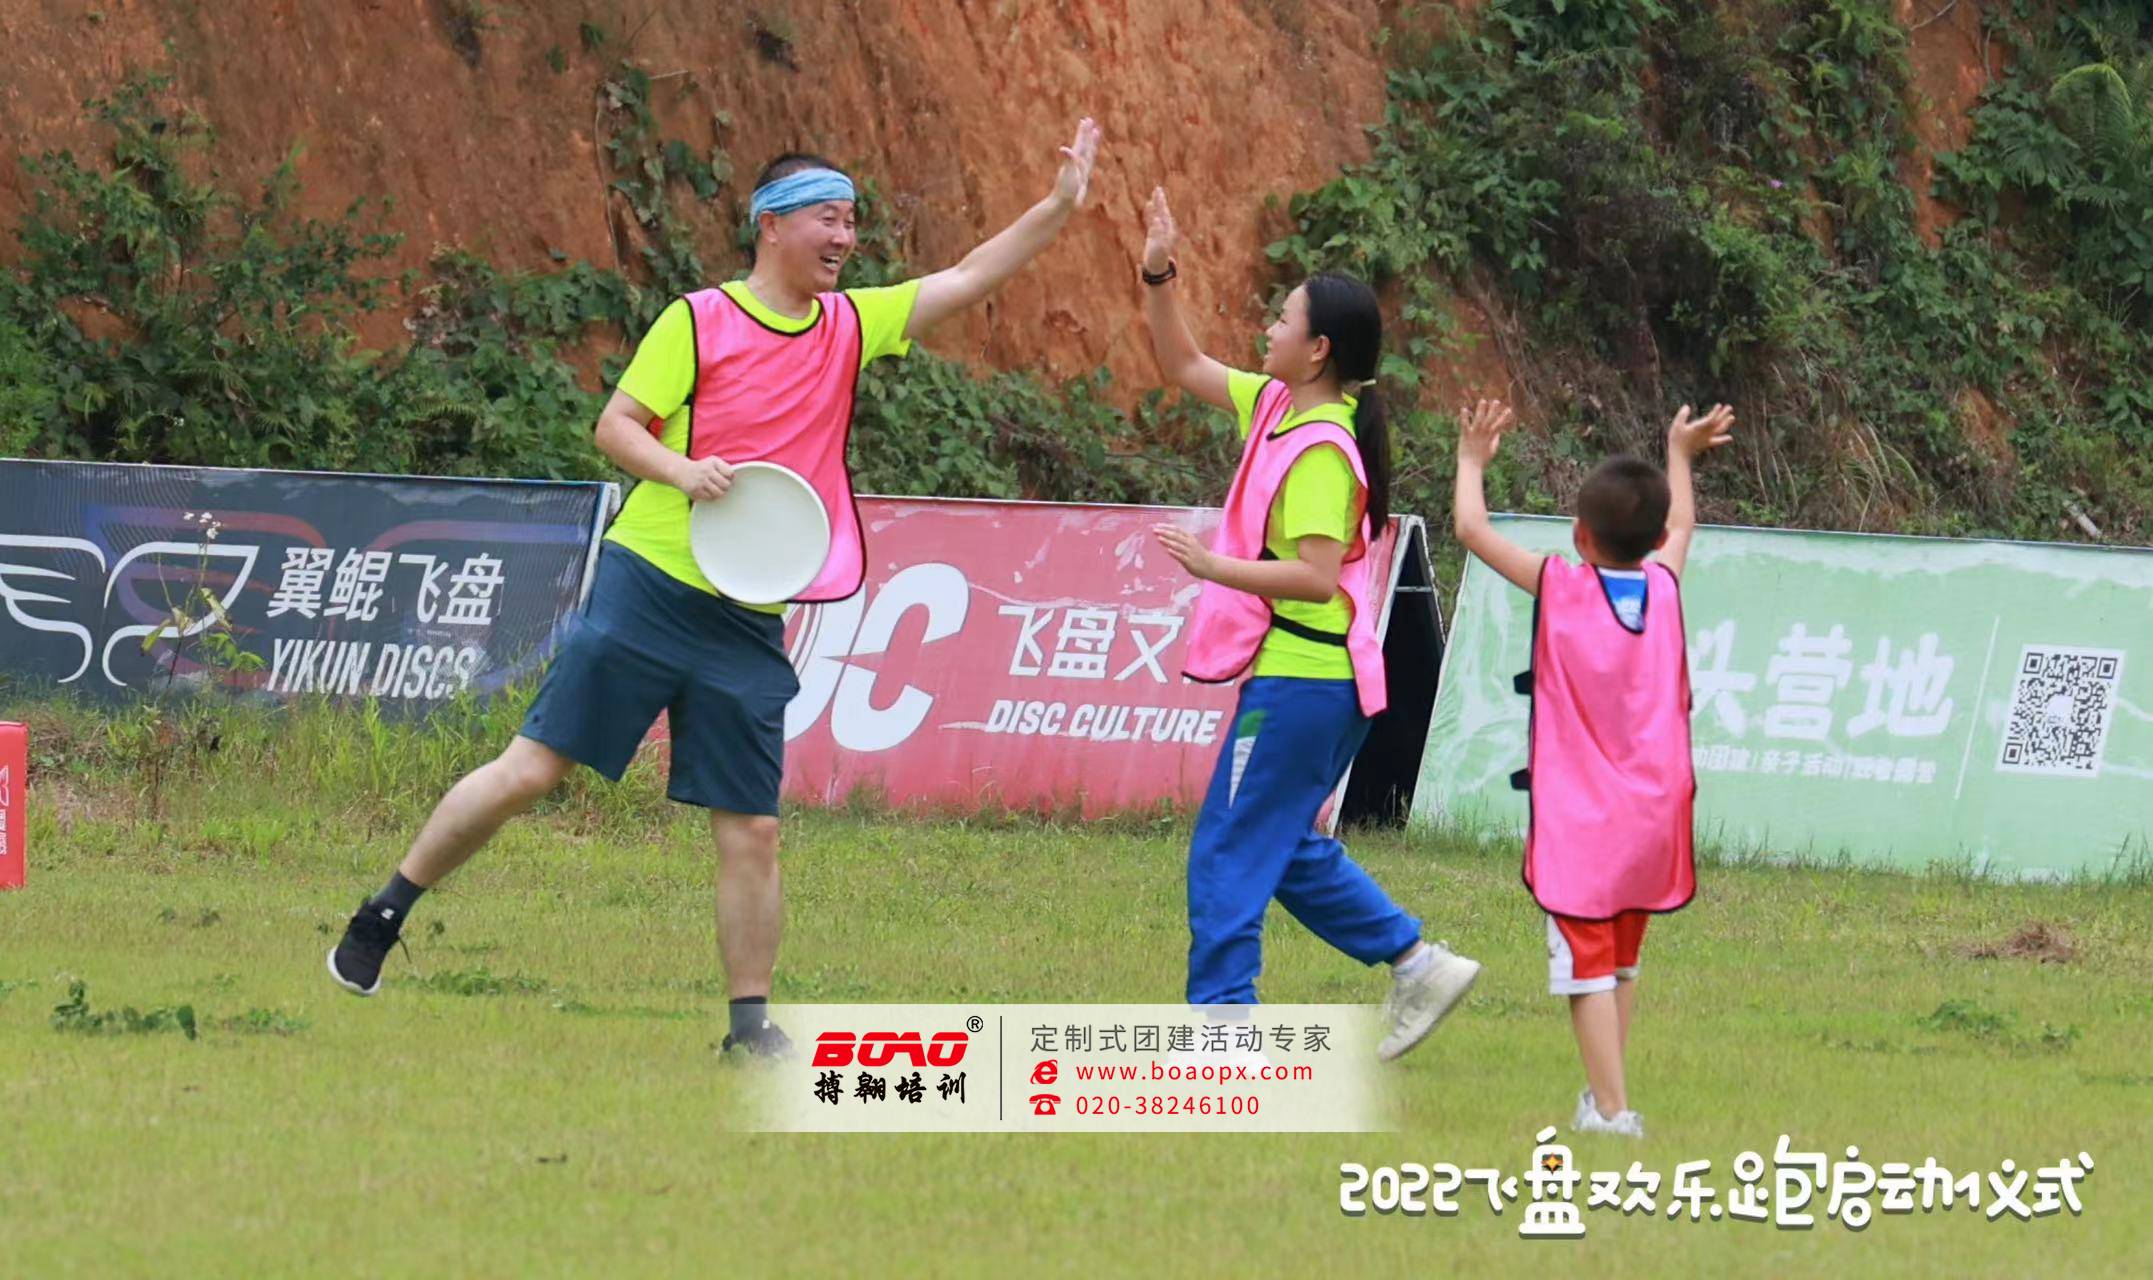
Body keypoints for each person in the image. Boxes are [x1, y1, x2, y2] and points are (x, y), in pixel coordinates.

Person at [327, 120, 1104, 1060]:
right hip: (650, 581)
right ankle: (384, 911)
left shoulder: (851, 325)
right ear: (771, 224)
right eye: (827, 218)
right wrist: (683, 471)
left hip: (750, 614)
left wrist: (1057, 206)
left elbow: (971, 275)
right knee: (532, 771)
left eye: (851, 221)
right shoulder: (698, 320)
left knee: (753, 829)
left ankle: (748, 1029)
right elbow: (616, 426)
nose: (845, 237)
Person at [1139, 187, 1481, 1061]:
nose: (1267, 329)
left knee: (1229, 847)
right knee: (1279, 843)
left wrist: (1214, 566)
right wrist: (1158, 274)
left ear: (1318, 348)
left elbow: (1316, 577)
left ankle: (1223, 1027)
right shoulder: (1275, 407)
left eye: (1282, 319)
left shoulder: (1324, 450)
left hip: (1304, 680)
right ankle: (1416, 962)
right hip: (1307, 679)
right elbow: (1182, 363)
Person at [1452, 396, 1736, 1135]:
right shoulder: (1664, 587)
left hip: (1584, 823)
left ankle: (1613, 1112)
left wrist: (1471, 460)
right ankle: (1602, 1096)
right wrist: (1679, 453)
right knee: (1620, 963)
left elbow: (1471, 529)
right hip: (1655, 818)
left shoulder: (1561, 585)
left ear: (1579, 535)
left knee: (1584, 966)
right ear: (1652, 540)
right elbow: (1683, 527)